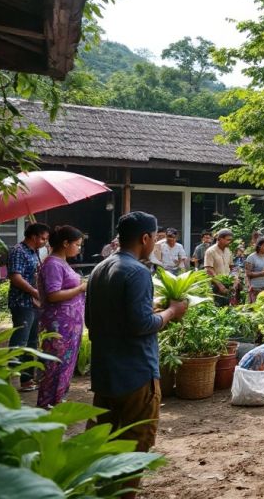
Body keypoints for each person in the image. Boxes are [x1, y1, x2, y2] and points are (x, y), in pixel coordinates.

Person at [85, 212, 187, 498]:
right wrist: (171, 312)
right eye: (154, 238)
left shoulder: (99, 269)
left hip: (105, 373)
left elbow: (91, 321)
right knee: (135, 443)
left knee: (106, 440)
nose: (155, 243)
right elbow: (142, 325)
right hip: (136, 374)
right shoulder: (139, 272)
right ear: (145, 238)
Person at [35, 225, 88, 408]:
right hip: (59, 324)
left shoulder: (62, 262)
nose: (79, 248)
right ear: (66, 243)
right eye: (77, 244)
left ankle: (57, 401)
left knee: (65, 364)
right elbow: (53, 294)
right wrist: (80, 288)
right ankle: (48, 405)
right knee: (55, 365)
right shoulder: (52, 264)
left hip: (69, 324)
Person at [8, 222, 49, 392]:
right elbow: (15, 277)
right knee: (20, 342)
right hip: (22, 303)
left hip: (34, 303)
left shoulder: (35, 252)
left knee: (32, 342)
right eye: (43, 238)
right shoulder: (19, 250)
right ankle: (7, 382)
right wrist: (34, 292)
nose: (45, 242)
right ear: (34, 236)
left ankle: (26, 379)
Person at [204, 229, 236, 307]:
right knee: (217, 308)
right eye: (228, 240)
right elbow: (209, 270)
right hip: (215, 285)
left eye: (231, 240)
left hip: (227, 284)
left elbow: (232, 267)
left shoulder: (228, 251)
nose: (230, 242)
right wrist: (220, 285)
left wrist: (235, 279)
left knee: (227, 308)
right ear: (219, 239)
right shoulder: (210, 251)